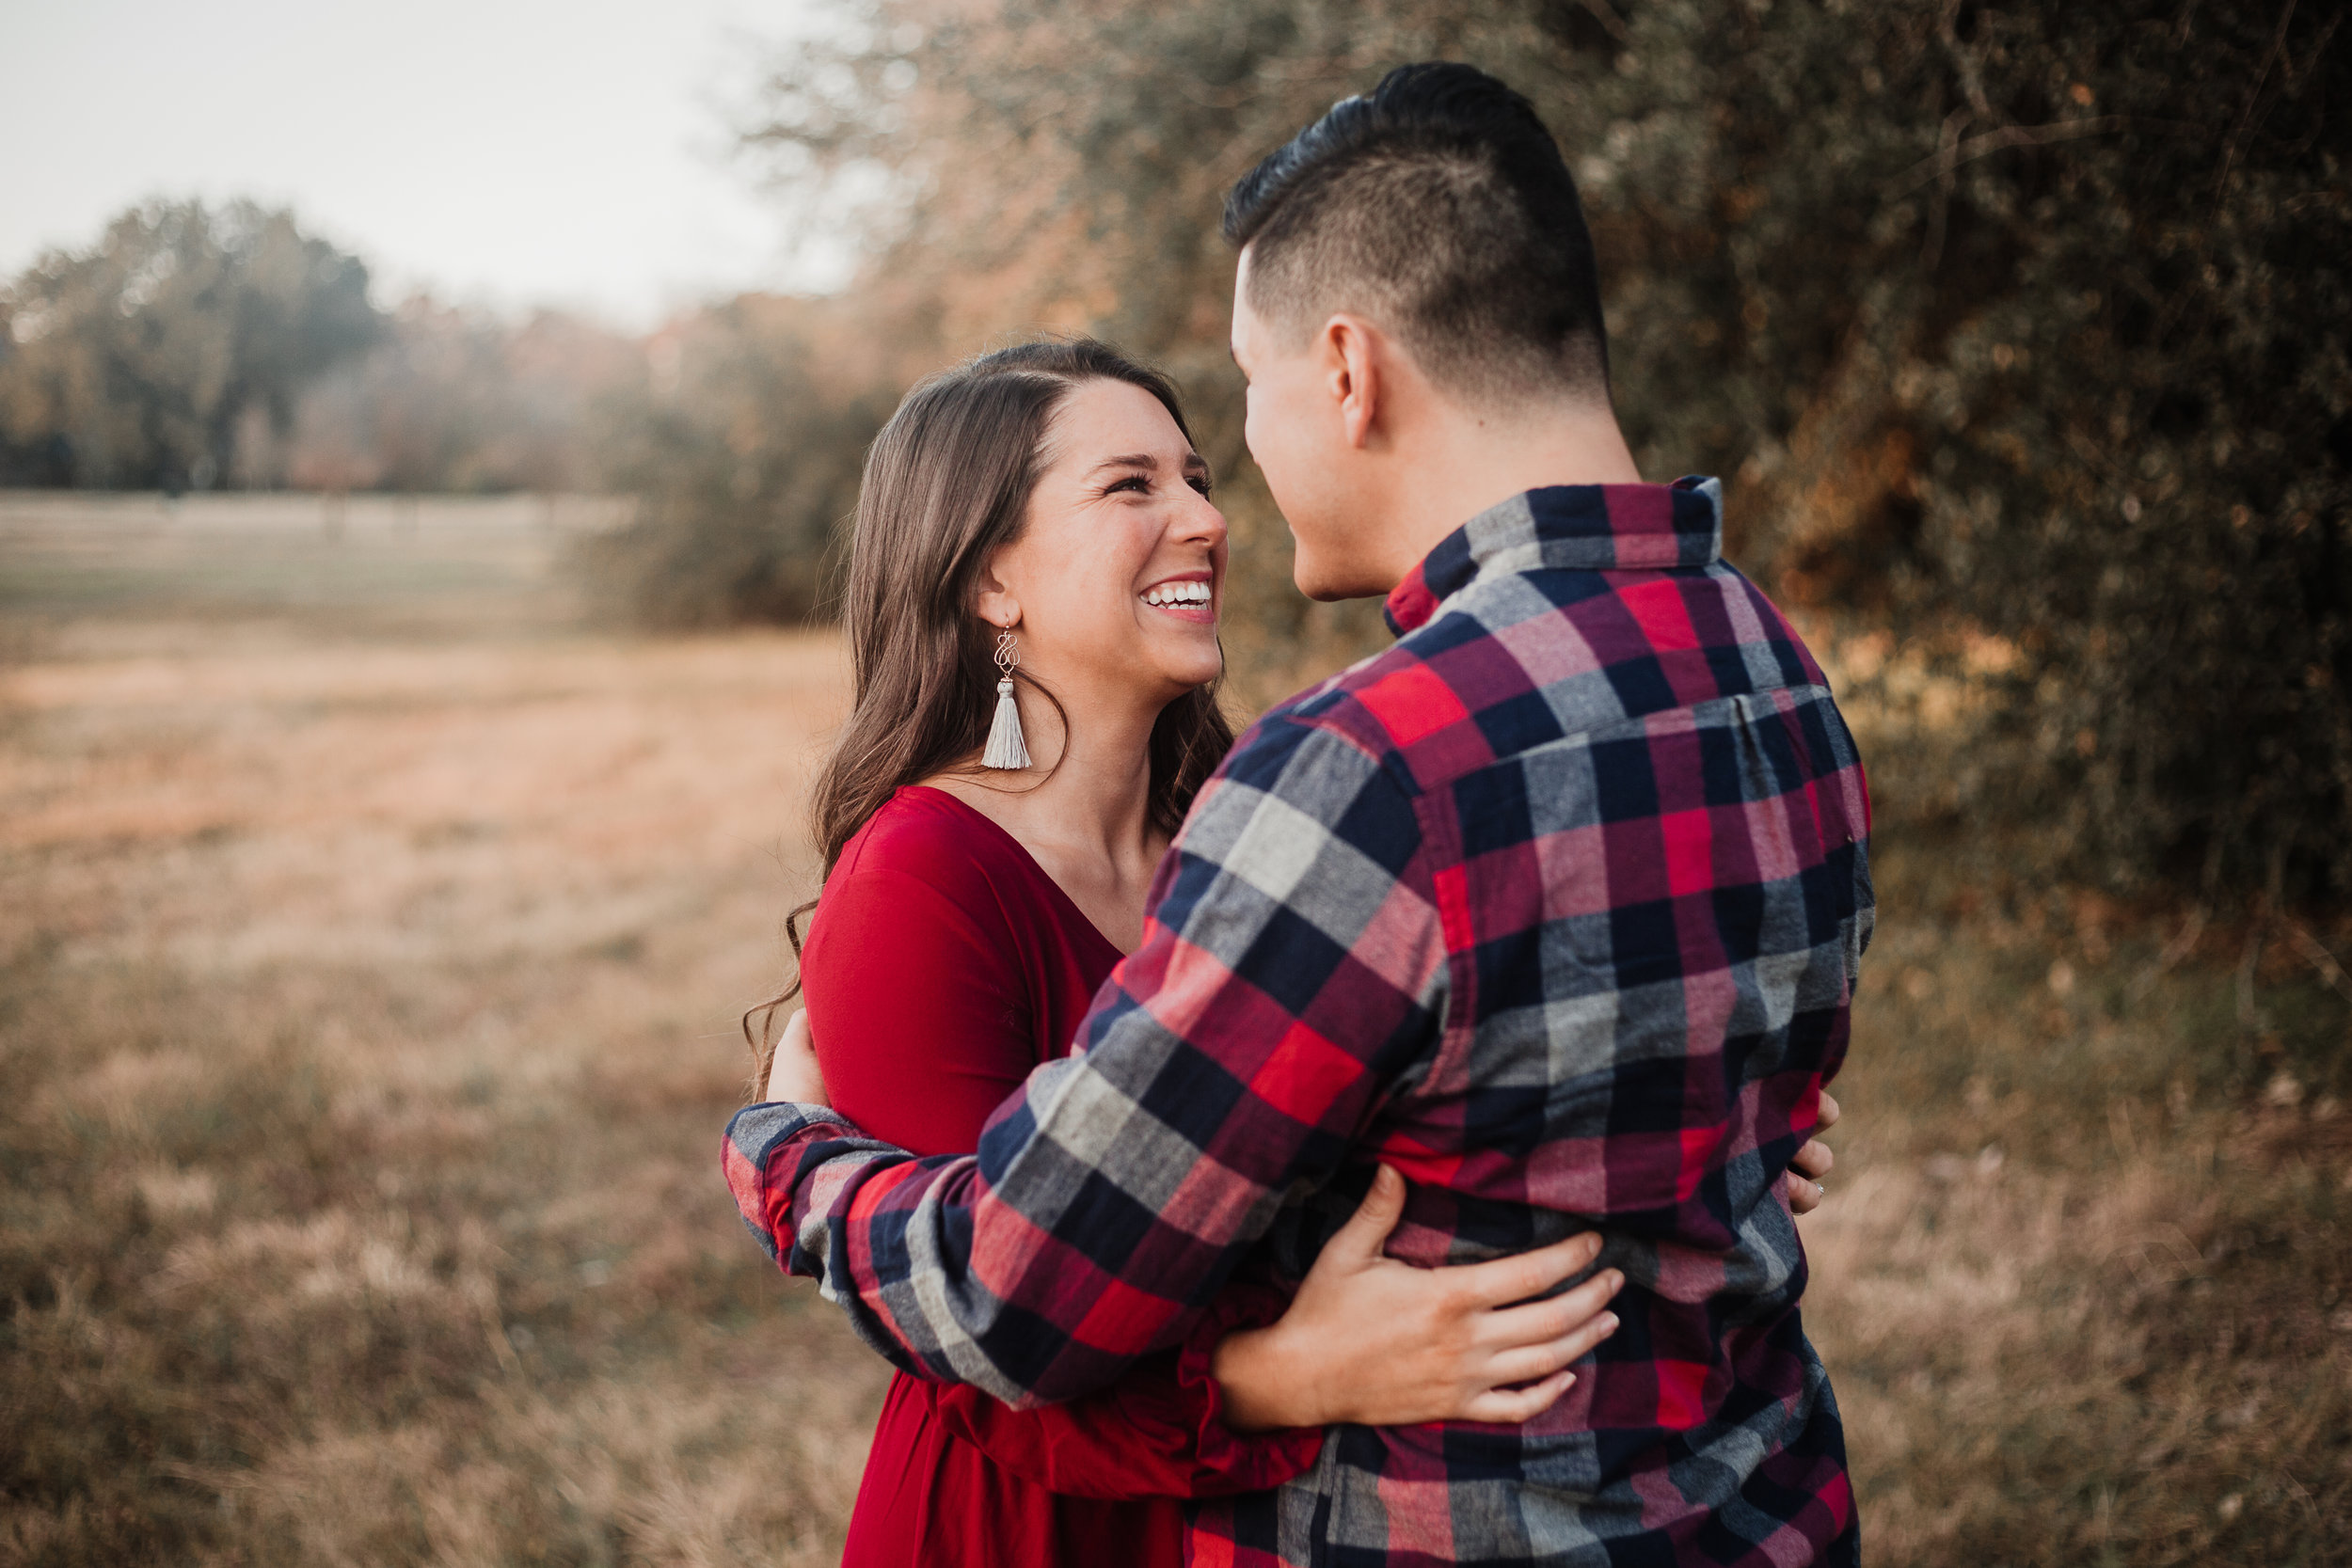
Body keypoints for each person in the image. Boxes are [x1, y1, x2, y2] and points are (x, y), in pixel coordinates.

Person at [731, 62, 1868, 1567]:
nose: (1223, 499)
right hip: (1761, 1512)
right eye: (1138, 482)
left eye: (1240, 407)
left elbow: (1013, 1292)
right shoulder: (1769, 663)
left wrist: (783, 1153)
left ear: (1347, 373)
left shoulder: (1375, 769)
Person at [739, 338, 1645, 1568]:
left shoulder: (1246, 830)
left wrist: (1677, 1080)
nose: (1206, 520)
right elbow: (972, 1343)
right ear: (991, 579)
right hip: (1035, 1529)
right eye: (1132, 487)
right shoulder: (922, 881)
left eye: (1199, 477)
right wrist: (1276, 1380)